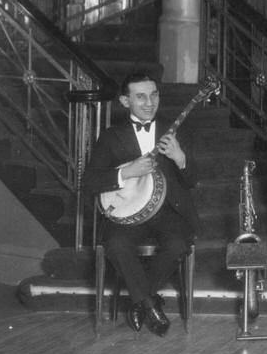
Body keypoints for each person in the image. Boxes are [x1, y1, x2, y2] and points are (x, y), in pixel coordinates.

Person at [85, 71, 200, 336]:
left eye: (153, 95)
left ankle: (139, 302)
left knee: (178, 244)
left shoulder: (176, 131)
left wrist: (180, 158)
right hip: (127, 214)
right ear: (125, 102)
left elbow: (193, 180)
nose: (149, 103)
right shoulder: (111, 136)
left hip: (168, 210)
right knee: (116, 244)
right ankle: (149, 302)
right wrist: (126, 172)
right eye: (140, 97)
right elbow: (90, 182)